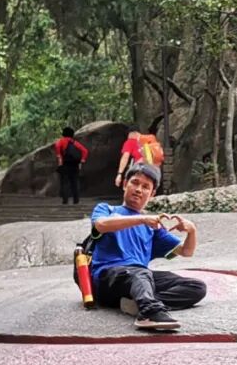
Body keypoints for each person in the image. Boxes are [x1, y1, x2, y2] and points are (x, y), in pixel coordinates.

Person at [90, 163, 206, 331]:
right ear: (125, 184)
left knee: (196, 287)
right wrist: (142, 219)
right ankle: (149, 313)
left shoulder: (152, 227)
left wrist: (192, 231)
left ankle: (139, 303)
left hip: (139, 280)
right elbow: (101, 225)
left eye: (145, 187)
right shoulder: (106, 209)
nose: (139, 189)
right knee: (140, 272)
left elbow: (186, 251)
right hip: (107, 279)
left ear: (152, 194)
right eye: (135, 183)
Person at [54, 126, 88, 204]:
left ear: (63, 133)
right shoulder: (74, 142)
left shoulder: (60, 142)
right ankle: (76, 200)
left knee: (65, 183)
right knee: (75, 182)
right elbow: (85, 151)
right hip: (75, 165)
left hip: (65, 164)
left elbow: (58, 154)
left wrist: (60, 164)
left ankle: (65, 200)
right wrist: (82, 161)